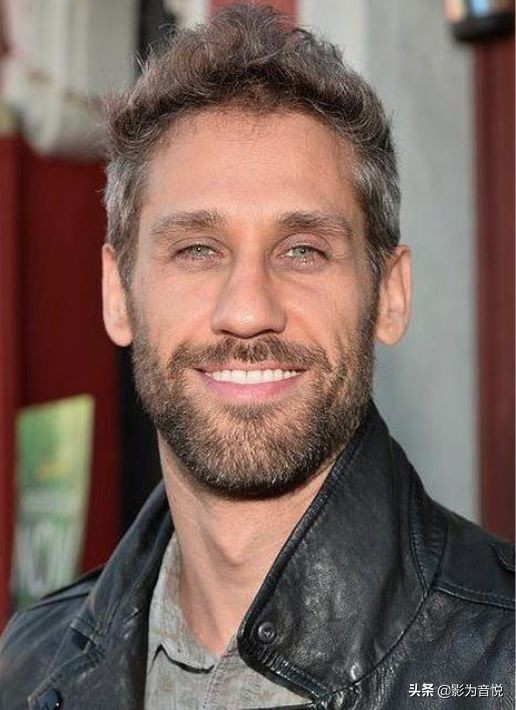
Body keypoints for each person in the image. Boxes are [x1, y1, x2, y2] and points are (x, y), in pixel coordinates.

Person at [0, 5, 513, 709]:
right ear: (117, 295)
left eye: (302, 250)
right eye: (197, 250)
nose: (247, 311)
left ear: (389, 297)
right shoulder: (28, 665)